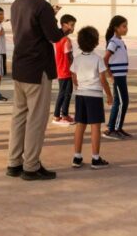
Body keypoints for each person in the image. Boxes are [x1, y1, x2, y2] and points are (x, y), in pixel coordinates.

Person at [6, 0, 66, 181]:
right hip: (38, 69)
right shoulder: (41, 6)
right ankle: (31, 165)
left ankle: (14, 162)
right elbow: (53, 36)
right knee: (36, 119)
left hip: (20, 66)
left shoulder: (16, 3)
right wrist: (64, 29)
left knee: (19, 116)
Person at [71, 26, 112, 170]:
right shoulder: (98, 59)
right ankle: (95, 158)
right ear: (95, 42)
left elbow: (73, 76)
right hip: (94, 96)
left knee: (80, 125)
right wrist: (109, 95)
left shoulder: (77, 58)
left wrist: (78, 86)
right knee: (95, 127)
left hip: (81, 94)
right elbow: (103, 79)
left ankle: (77, 157)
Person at [103, 15, 132, 140]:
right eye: (124, 26)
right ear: (116, 28)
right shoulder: (113, 42)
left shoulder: (120, 41)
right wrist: (110, 74)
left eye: (126, 26)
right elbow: (105, 59)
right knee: (121, 102)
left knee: (122, 101)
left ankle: (117, 127)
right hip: (117, 77)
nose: (126, 29)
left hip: (122, 76)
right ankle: (112, 129)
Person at [52, 14, 77, 126]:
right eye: (71, 25)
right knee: (63, 93)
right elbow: (69, 57)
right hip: (65, 70)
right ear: (64, 25)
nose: (73, 27)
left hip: (62, 70)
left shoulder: (58, 38)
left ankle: (64, 115)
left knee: (66, 93)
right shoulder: (66, 40)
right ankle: (57, 116)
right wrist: (73, 71)